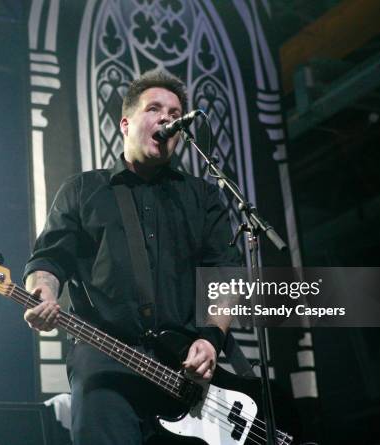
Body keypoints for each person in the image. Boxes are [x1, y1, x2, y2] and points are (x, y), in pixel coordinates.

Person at [23, 69, 241, 444]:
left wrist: (210, 340)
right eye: (154, 109)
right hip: (106, 361)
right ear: (126, 123)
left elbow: (224, 275)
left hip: (182, 373)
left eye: (174, 114)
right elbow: (49, 259)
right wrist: (42, 291)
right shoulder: (83, 190)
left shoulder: (202, 197)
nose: (167, 119)